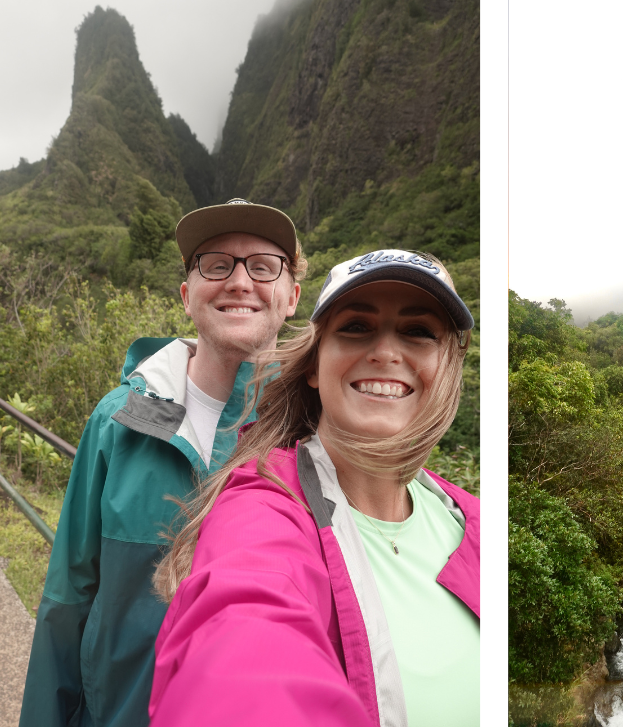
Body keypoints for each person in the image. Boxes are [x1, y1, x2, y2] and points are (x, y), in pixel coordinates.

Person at [148, 250, 479, 727]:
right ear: (314, 365)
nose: (386, 352)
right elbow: (244, 637)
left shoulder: (472, 519)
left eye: (418, 332)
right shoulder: (264, 507)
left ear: (449, 366)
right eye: (356, 328)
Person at [20, 199, 305, 727]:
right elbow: (68, 596)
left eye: (263, 266)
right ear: (186, 294)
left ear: (291, 296)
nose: (239, 282)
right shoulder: (121, 419)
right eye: (216, 264)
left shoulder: (310, 437)